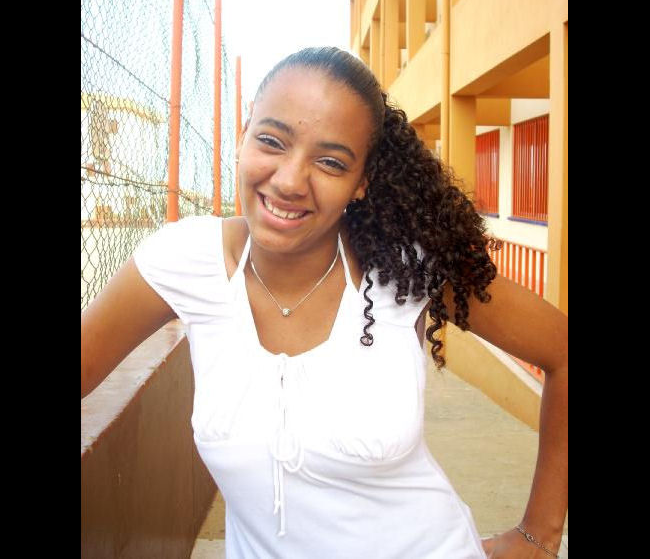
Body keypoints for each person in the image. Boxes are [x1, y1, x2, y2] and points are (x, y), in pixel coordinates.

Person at [81, 47, 568, 558]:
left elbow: (560, 350)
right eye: (271, 141)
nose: (290, 181)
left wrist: (539, 535)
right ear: (243, 134)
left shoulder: (403, 267)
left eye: (331, 162)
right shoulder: (184, 262)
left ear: (361, 183)